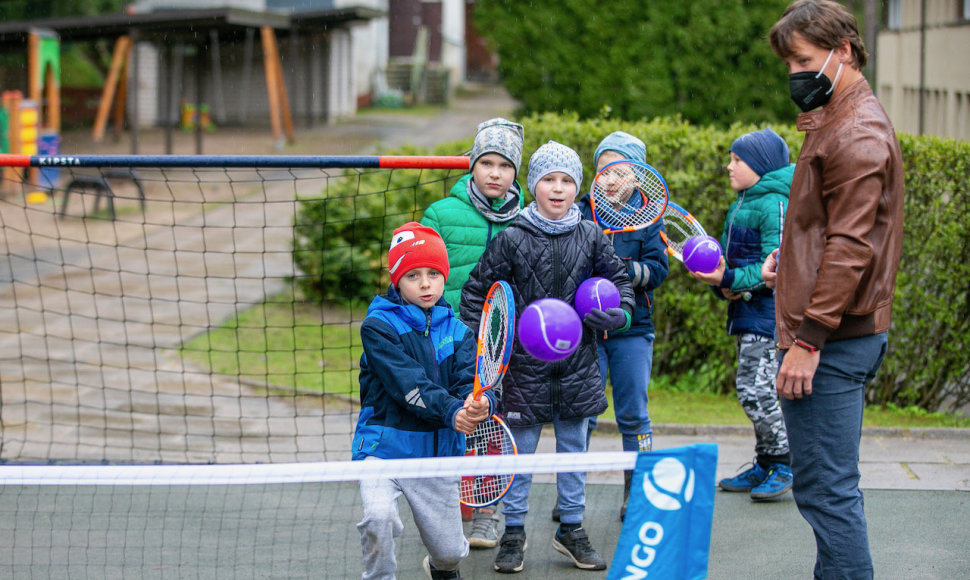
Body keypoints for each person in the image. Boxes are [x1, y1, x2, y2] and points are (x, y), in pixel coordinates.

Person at [762, 2, 905, 578]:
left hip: (833, 343)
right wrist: (789, 261)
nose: (793, 72)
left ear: (842, 50)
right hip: (835, 335)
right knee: (828, 489)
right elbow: (827, 229)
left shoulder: (857, 131)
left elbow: (852, 248)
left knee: (826, 492)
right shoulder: (837, 118)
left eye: (801, 59)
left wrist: (809, 340)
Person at [460, 141, 635, 574]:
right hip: (521, 370)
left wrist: (621, 313)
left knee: (575, 453)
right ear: (533, 185)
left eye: (567, 180)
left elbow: (620, 281)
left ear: (578, 188)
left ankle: (571, 529)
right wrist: (489, 351)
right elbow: (475, 296)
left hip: (578, 368)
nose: (558, 189)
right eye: (548, 180)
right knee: (520, 457)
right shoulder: (512, 238)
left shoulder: (591, 234)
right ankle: (514, 533)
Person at [353, 222, 495, 580]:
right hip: (383, 451)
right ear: (397, 279)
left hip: (437, 456)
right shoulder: (378, 327)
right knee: (378, 517)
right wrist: (452, 411)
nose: (426, 283)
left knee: (449, 554)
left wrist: (480, 404)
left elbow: (471, 382)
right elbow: (407, 384)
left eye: (433, 273)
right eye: (413, 275)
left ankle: (440, 567)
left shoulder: (461, 331)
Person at [420, 118, 525, 549]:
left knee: (492, 425)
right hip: (451, 342)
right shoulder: (442, 213)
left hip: (502, 346)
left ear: (516, 173)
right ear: (472, 166)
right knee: (450, 423)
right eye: (486, 163)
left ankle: (487, 513)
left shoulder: (527, 219)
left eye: (505, 165)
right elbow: (421, 277)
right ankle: (442, 511)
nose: (495, 172)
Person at [689, 127, 795, 500]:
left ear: (761, 165)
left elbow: (779, 266)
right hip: (748, 312)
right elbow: (733, 266)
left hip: (770, 317)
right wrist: (722, 282)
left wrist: (731, 277)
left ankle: (784, 463)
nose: (729, 166)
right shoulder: (742, 203)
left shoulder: (774, 203)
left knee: (755, 391)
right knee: (753, 389)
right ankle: (766, 462)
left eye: (738, 160)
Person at [576, 131, 670, 520]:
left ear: (638, 177)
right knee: (584, 413)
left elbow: (658, 270)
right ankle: (572, 494)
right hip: (588, 332)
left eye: (619, 170)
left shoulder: (650, 220)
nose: (609, 178)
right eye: (602, 170)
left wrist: (621, 273)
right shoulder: (580, 212)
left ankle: (638, 490)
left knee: (633, 414)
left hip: (633, 330)